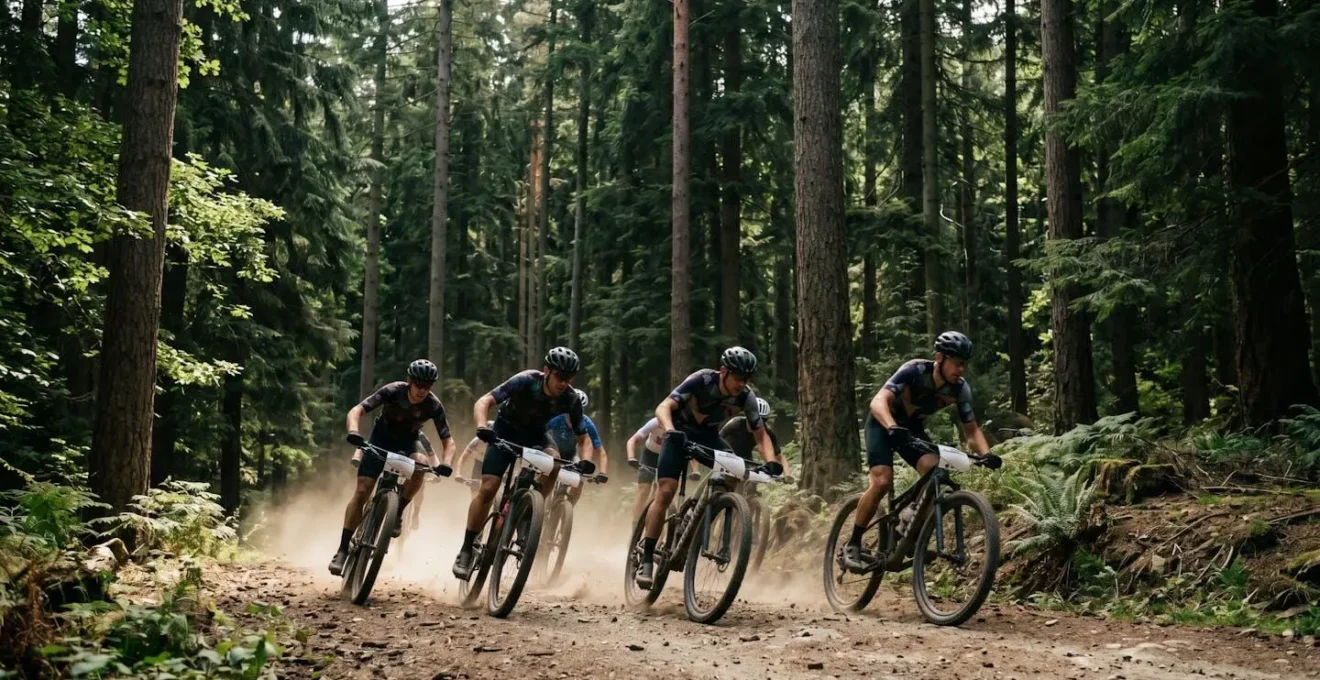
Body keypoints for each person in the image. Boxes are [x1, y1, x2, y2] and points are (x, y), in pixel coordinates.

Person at [634, 347, 783, 588]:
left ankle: (701, 512)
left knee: (734, 470)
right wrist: (671, 431)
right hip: (678, 432)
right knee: (665, 491)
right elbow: (663, 407)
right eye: (738, 377)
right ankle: (648, 558)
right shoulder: (701, 380)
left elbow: (761, 434)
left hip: (707, 436)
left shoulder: (746, 397)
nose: (742, 383)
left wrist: (772, 462)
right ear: (723, 372)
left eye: (746, 379)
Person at [843, 331, 992, 570]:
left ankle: (908, 529)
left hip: (910, 429)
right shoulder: (914, 370)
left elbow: (972, 430)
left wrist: (987, 454)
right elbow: (878, 401)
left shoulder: (959, 390)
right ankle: (853, 543)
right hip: (883, 423)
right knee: (882, 481)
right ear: (939, 358)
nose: (960, 369)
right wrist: (891, 426)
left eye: (963, 363)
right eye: (956, 362)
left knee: (933, 469)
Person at [452, 347, 595, 579]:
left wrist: (586, 460)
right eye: (559, 376)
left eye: (569, 378)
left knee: (555, 463)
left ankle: (531, 509)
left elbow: (584, 437)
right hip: (505, 429)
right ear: (547, 371)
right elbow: (485, 401)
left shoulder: (570, 398)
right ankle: (466, 549)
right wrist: (481, 427)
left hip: (536, 435)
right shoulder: (526, 380)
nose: (563, 383)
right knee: (488, 489)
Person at [330, 359, 455, 575]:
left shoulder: (433, 404)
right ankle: (342, 549)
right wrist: (353, 431)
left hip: (408, 442)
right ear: (409, 381)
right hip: (381, 439)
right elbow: (357, 410)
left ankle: (397, 512)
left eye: (428, 386)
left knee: (422, 466)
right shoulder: (392, 391)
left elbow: (448, 441)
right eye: (419, 384)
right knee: (361, 491)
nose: (422, 390)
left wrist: (446, 463)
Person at [626, 417, 702, 522]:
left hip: (668, 457)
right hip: (650, 456)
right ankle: (635, 527)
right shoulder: (654, 422)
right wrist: (631, 457)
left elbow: (690, 451)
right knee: (643, 491)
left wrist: (696, 470)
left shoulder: (680, 426)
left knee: (664, 493)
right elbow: (632, 440)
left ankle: (662, 529)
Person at [545, 389, 609, 504]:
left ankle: (568, 506)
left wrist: (603, 472)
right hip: (553, 451)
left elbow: (600, 451)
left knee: (579, 482)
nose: (574, 413)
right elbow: (540, 430)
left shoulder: (587, 423)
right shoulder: (557, 418)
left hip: (571, 456)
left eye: (579, 409)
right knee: (539, 472)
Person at [453, 422, 491, 498]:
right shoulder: (476, 441)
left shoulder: (498, 442)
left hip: (492, 465)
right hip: (479, 464)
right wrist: (458, 473)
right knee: (475, 493)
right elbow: (463, 458)